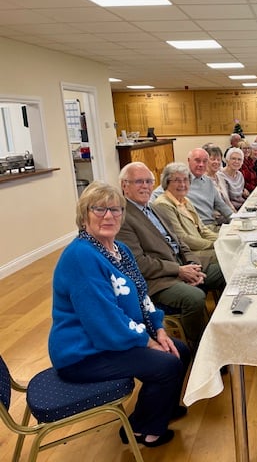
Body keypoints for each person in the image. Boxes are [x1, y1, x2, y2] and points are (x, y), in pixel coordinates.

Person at [49, 181, 191, 448]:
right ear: (83, 216)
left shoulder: (119, 250)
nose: (108, 216)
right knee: (167, 363)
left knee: (179, 350)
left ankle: (162, 409)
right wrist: (150, 342)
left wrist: (159, 329)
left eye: (115, 210)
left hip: (109, 339)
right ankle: (140, 428)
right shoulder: (82, 257)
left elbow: (141, 295)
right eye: (99, 209)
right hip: (83, 353)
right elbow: (105, 323)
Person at [117, 162, 225, 347]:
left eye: (149, 181)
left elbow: (180, 242)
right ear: (124, 186)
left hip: (182, 265)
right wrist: (179, 270)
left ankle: (221, 326)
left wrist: (193, 265)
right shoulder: (123, 217)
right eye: (139, 182)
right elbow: (139, 263)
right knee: (194, 298)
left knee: (225, 270)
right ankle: (199, 348)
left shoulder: (155, 208)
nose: (145, 186)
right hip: (158, 279)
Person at [152, 162, 218, 266]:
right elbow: (182, 238)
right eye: (177, 180)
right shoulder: (163, 205)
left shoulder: (185, 200)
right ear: (166, 182)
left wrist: (221, 239)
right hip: (189, 255)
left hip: (201, 247)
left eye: (185, 180)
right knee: (228, 255)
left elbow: (202, 229)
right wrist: (214, 244)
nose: (182, 184)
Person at [151, 147, 233, 230]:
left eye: (204, 161)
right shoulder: (181, 181)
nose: (201, 164)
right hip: (195, 229)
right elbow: (154, 196)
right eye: (197, 160)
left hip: (212, 226)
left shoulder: (208, 182)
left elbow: (221, 205)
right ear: (189, 160)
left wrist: (235, 220)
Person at [202, 144, 237, 219]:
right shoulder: (202, 180)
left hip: (228, 216)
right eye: (213, 159)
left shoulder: (220, 177)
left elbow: (227, 201)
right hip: (215, 221)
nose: (216, 162)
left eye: (218, 159)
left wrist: (236, 215)